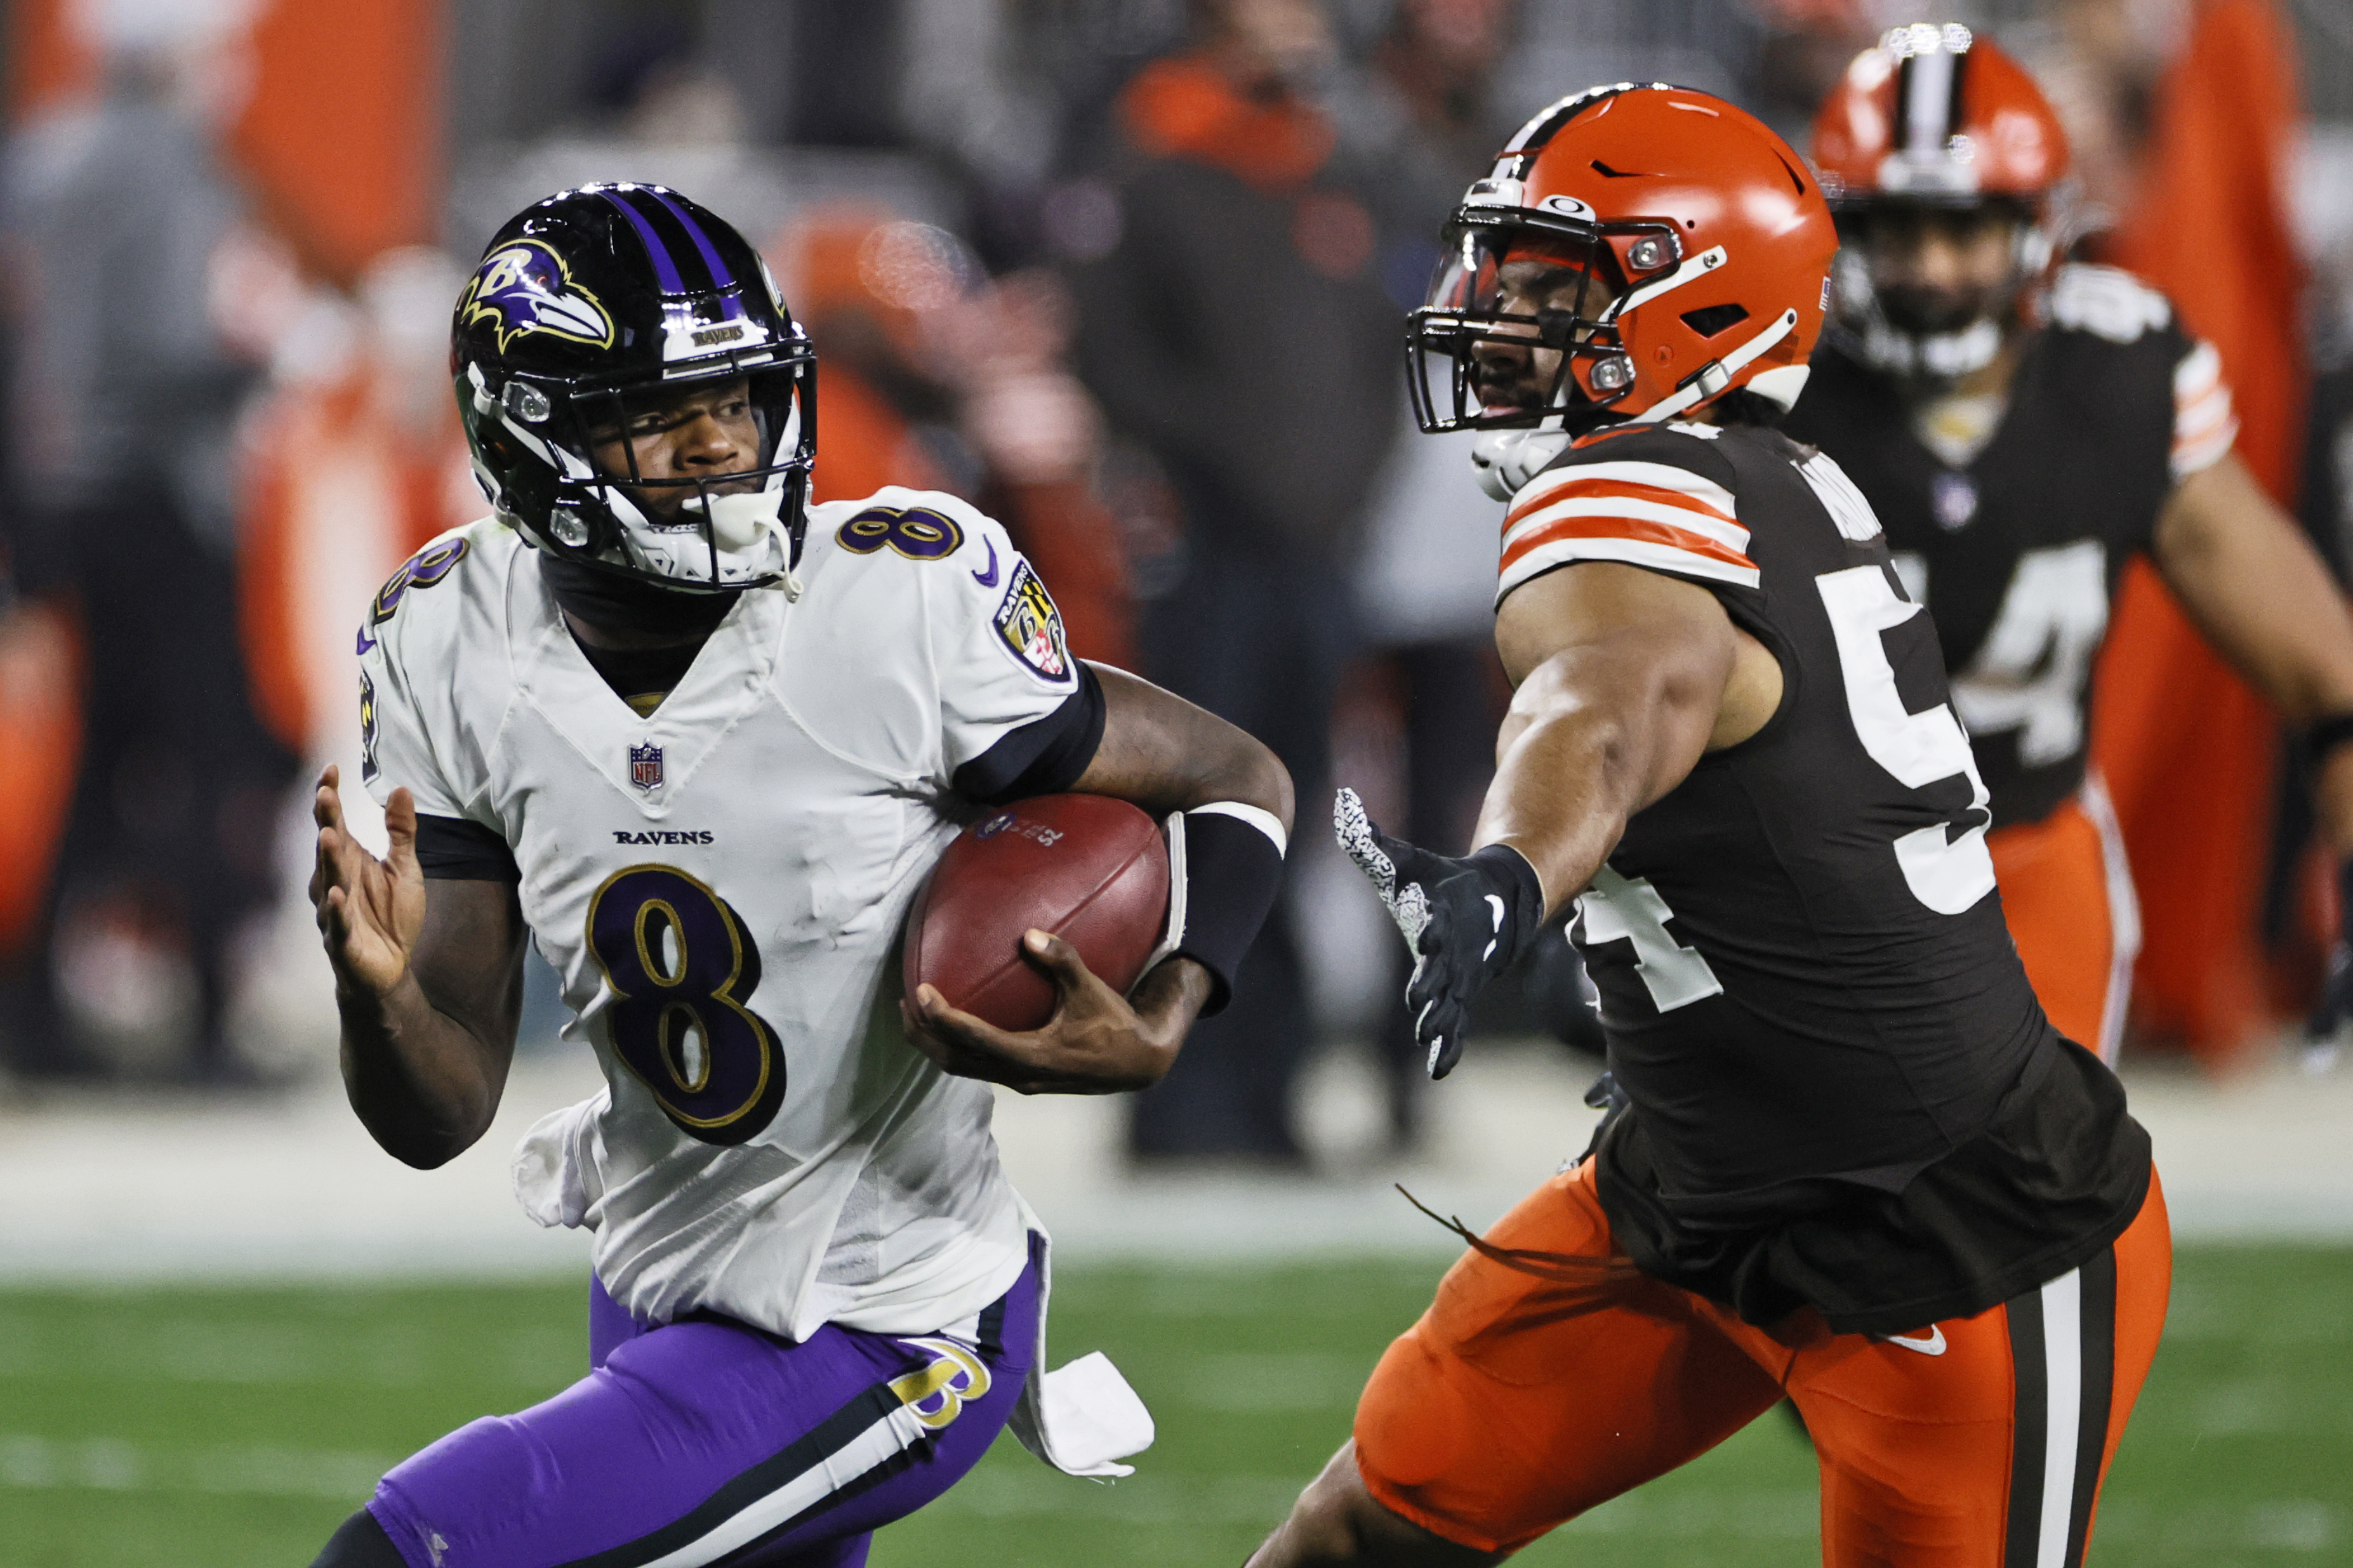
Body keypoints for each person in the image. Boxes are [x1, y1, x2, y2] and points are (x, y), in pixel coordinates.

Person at [303, 184, 1293, 1568]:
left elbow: (1238, 777)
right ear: (533, 438)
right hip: (657, 1283)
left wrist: (1174, 1006)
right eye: (669, 415)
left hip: (892, 1316)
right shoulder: (447, 643)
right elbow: (439, 1108)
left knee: (409, 1551)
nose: (725, 448)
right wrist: (380, 998)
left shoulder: (898, 607)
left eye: (744, 402)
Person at [1248, 84, 2165, 1567]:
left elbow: (1613, 702)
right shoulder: (1755, 477)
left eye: (1554, 285)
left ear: (1693, 301)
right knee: (1362, 1534)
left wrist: (1504, 875)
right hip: (1686, 1192)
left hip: (1951, 1238)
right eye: (1506, 271)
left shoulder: (1623, 497)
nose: (1493, 315)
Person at [1786, 23, 2353, 1062]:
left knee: (2049, 1205)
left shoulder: (2119, 372)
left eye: (1969, 230)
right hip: (1801, 867)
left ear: (2042, 226)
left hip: (2030, 855)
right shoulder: (1771, 388)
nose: (1933, 268)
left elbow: (2328, 671)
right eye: (1899, 230)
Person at [1069, 0, 1401, 1163]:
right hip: (1208, 553)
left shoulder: (1333, 166)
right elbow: (1110, 356)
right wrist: (1243, 466)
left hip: (1314, 557)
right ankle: (1180, 1101)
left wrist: (1339, 491)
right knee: (1195, 826)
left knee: (1288, 827)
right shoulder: (1153, 162)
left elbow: (1378, 357)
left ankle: (1271, 1100)